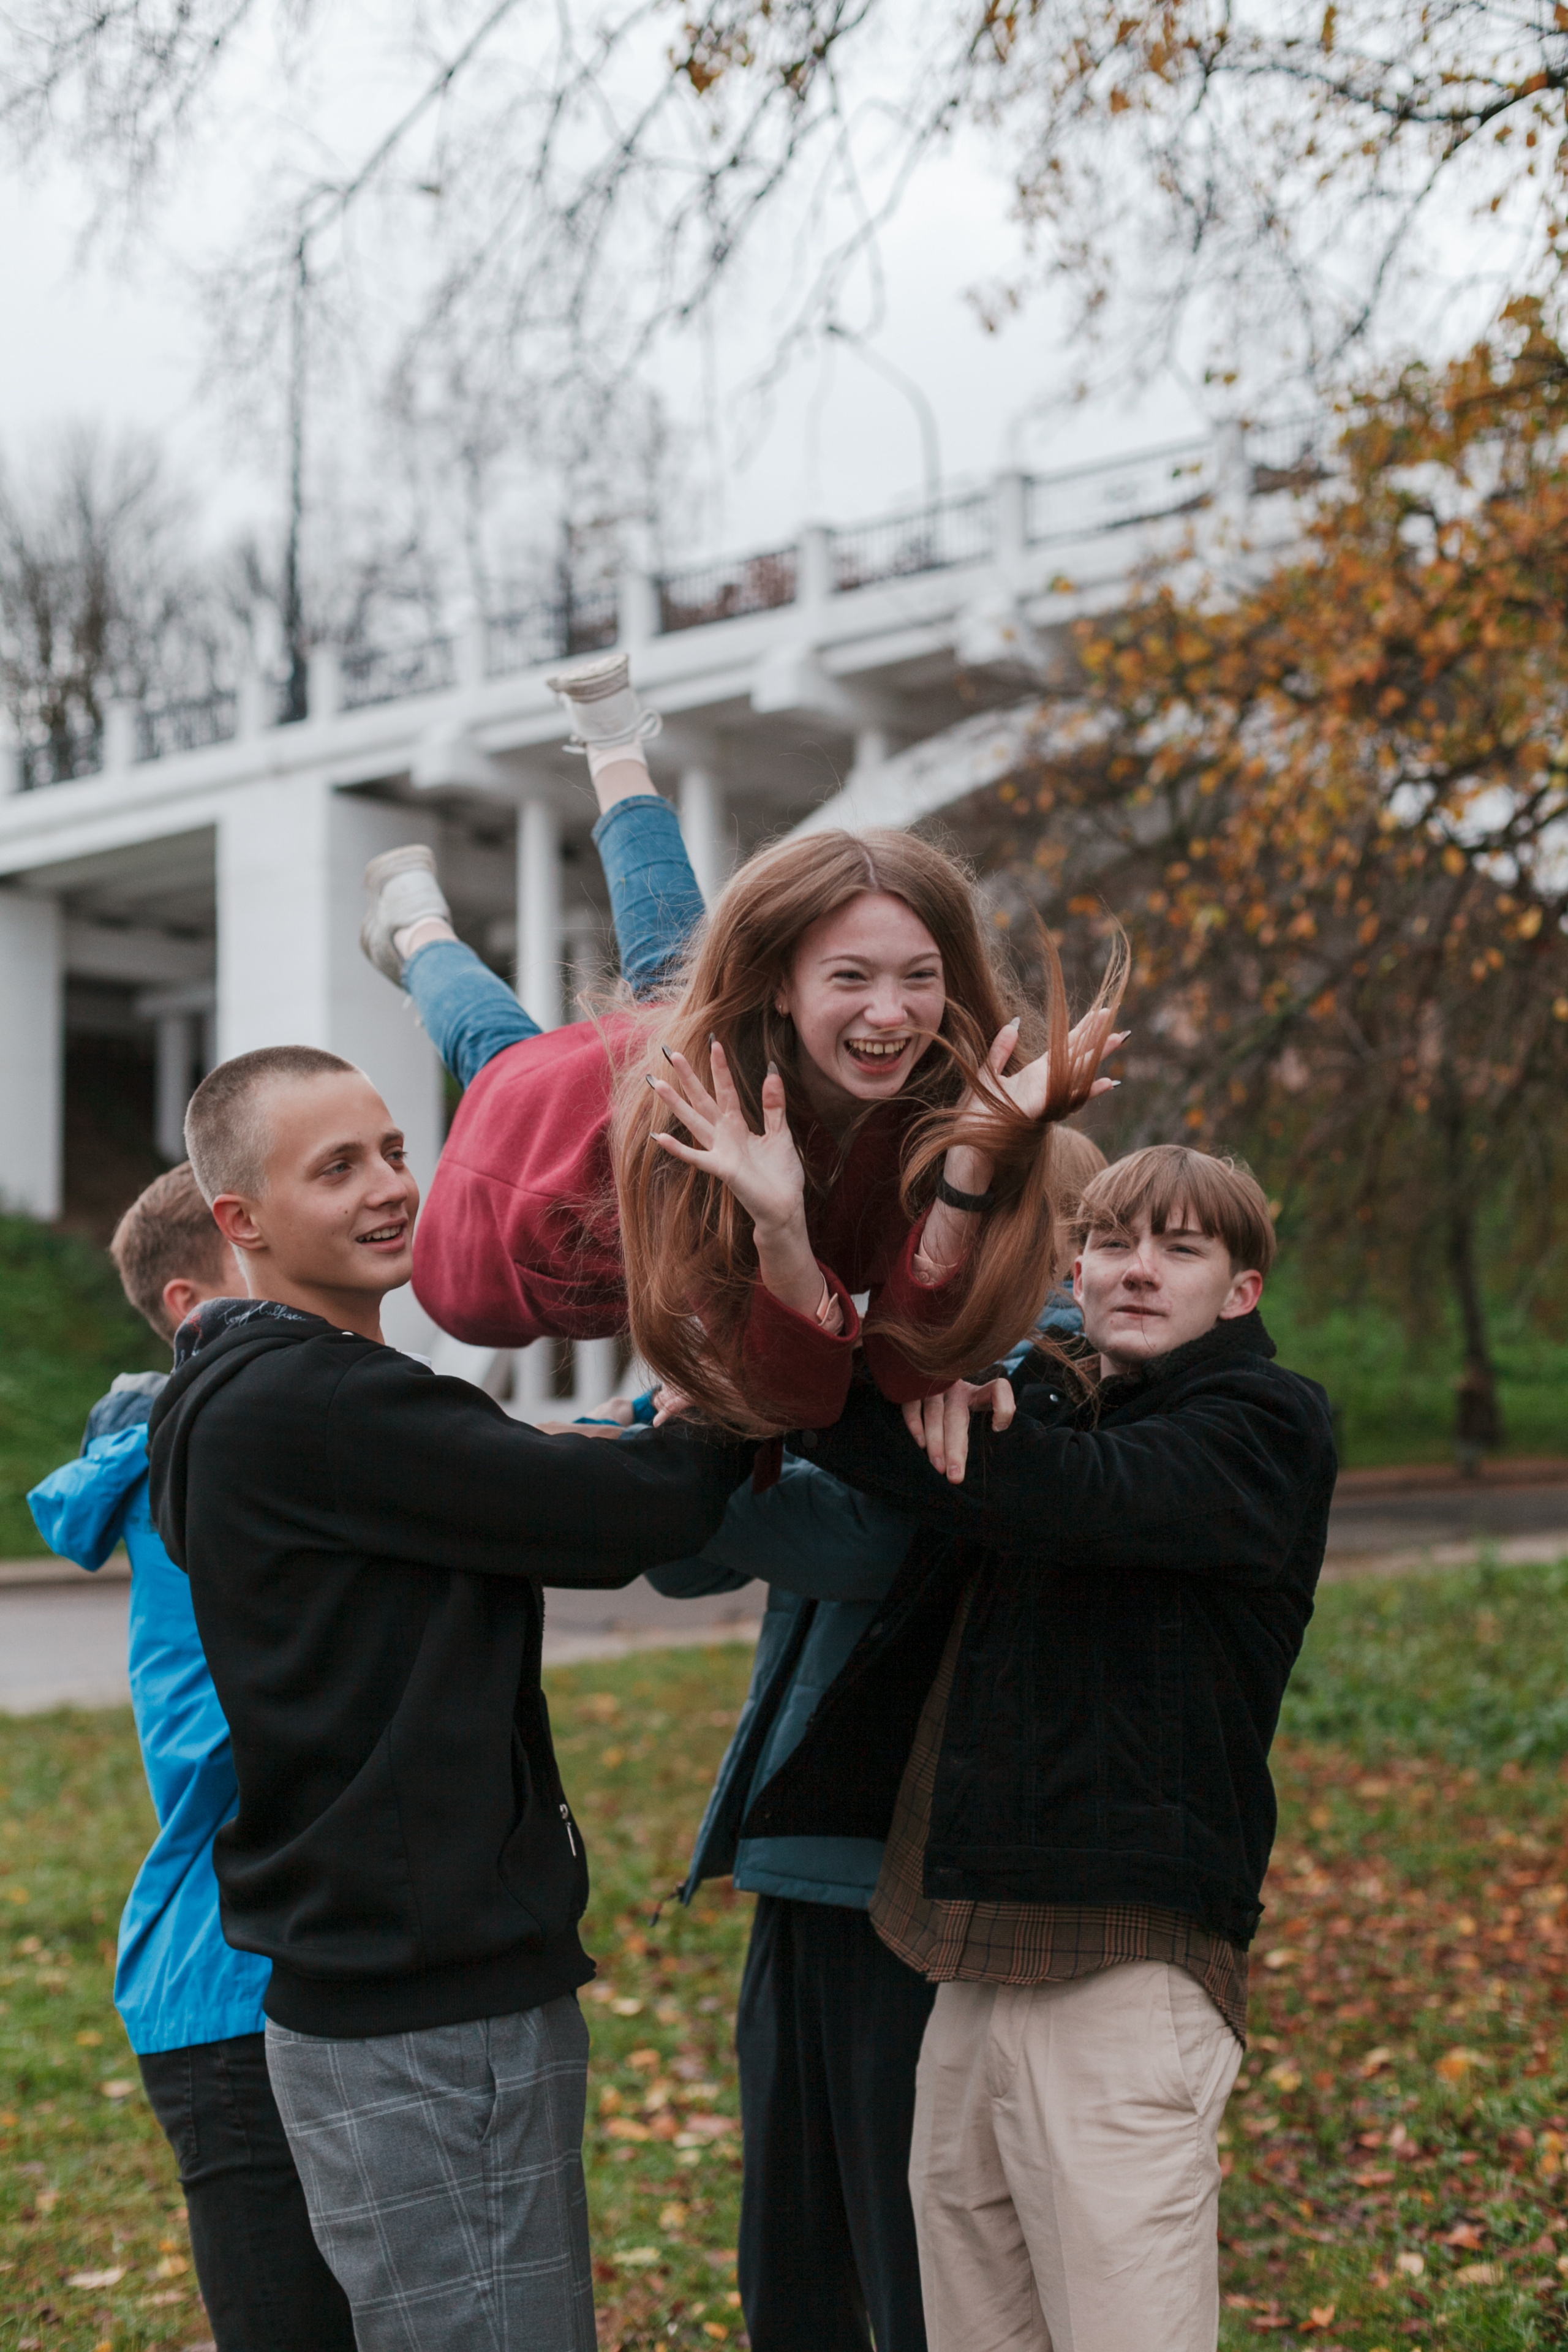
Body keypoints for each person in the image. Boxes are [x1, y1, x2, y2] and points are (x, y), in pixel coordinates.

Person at [146, 1044, 750, 2352]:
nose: (388, 1189)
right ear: (239, 1222)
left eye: (394, 1150)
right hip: (428, 2016)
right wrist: (749, 1356)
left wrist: (649, 1415)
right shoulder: (314, 1402)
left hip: (378, 1986)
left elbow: (515, 1472)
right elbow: (614, 1517)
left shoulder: (243, 1399)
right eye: (336, 1168)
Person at [744, 1145, 1337, 2352]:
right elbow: (925, 1467)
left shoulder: (1260, 1422)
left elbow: (1066, 1495)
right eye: (1115, 1244)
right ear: (1075, 1264)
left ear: (1239, 1292)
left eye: (1179, 1250)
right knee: (971, 2322)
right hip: (969, 1952)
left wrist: (812, 1294)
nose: (1136, 1271)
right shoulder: (1051, 1396)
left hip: (1123, 1962)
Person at [358, 651, 1127, 1436]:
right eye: (852, 977)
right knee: (495, 1052)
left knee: (675, 966)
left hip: (657, 1056)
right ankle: (420, 931)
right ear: (783, 991)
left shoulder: (787, 1037)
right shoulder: (695, 1137)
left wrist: (971, 1166)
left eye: (918, 976)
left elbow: (904, 1362)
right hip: (525, 1161)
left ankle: (611, 744)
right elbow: (800, 1395)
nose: (891, 1015)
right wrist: (778, 1232)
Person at [26, 1165, 358, 2352]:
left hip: (268, 1963)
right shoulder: (212, 1454)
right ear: (189, 1302)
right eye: (249, 1244)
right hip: (227, 1987)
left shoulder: (221, 1428)